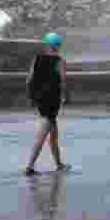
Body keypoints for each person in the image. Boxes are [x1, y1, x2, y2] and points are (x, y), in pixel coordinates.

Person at [23, 32, 71, 176]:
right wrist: (66, 96)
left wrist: (32, 98)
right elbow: (63, 82)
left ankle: (59, 164)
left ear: (46, 45)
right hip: (51, 100)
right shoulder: (59, 61)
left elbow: (29, 80)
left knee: (53, 133)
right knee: (42, 135)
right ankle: (29, 166)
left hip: (40, 99)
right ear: (57, 46)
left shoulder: (36, 59)